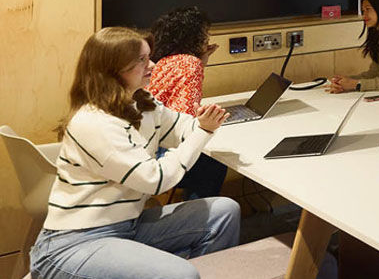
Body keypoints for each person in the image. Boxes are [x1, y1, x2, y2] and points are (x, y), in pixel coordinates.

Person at [30, 28, 239, 279]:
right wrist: (203, 132)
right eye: (141, 60)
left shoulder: (141, 103)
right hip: (75, 242)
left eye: (149, 57)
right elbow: (155, 179)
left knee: (224, 211)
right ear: (112, 70)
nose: (152, 65)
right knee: (181, 274)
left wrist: (204, 121)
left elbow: (181, 128)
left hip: (129, 225)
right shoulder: (94, 123)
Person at [145, 6, 227, 200]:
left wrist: (201, 60)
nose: (208, 39)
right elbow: (185, 117)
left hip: (146, 143)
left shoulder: (161, 60)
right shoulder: (190, 64)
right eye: (205, 34)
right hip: (161, 156)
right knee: (214, 164)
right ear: (193, 37)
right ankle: (199, 213)